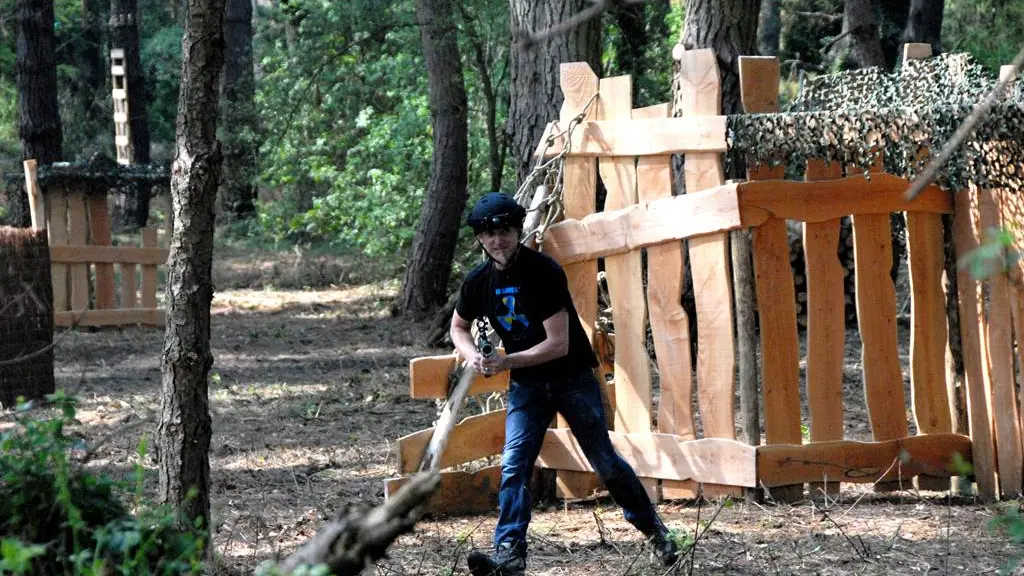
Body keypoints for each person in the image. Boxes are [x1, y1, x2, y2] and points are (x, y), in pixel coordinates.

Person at [450, 192, 680, 576]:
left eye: (504, 231)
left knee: (604, 462)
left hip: (571, 377)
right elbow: (458, 326)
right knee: (514, 464)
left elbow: (559, 344)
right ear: (479, 239)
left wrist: (506, 360)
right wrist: (473, 354)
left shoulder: (543, 271)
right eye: (488, 234)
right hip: (527, 385)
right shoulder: (478, 282)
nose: (497, 241)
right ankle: (509, 554)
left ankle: (657, 535)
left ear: (517, 230)